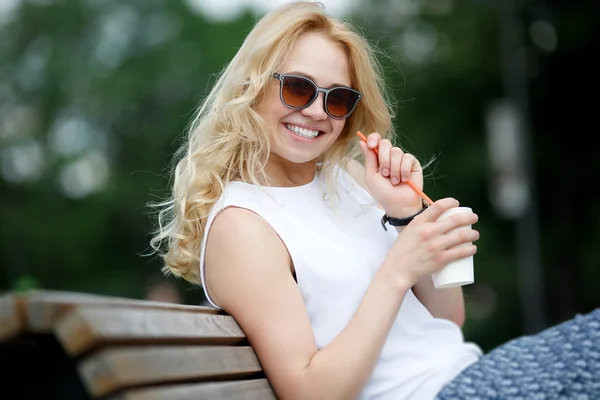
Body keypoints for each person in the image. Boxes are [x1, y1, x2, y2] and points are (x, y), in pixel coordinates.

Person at [149, 1, 600, 399]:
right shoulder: (243, 225)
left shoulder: (349, 182)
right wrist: (398, 267)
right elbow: (310, 392)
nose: (316, 111)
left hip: (473, 374)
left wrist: (409, 214)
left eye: (338, 98)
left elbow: (451, 319)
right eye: (298, 88)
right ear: (253, 86)